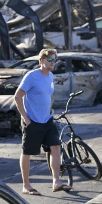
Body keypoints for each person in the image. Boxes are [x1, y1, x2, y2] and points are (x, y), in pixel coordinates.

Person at [14, 48, 72, 195]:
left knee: (56, 147)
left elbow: (47, 96)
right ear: (41, 61)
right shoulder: (32, 76)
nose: (52, 62)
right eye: (49, 59)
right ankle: (26, 186)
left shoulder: (50, 76)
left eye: (54, 60)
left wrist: (50, 111)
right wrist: (25, 118)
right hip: (32, 121)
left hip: (47, 120)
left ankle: (56, 182)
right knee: (27, 152)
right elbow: (17, 97)